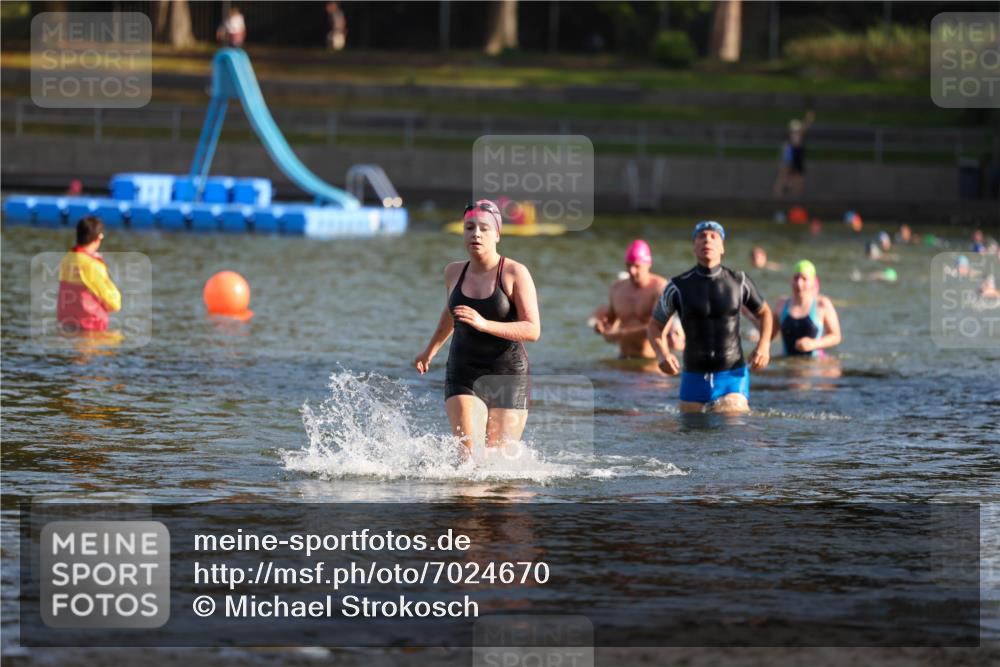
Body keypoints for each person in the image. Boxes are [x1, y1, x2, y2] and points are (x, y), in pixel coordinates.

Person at [415, 200, 540, 453]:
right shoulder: (453, 272)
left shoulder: (514, 272)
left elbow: (532, 330)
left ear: (497, 234)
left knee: (500, 464)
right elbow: (451, 314)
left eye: (484, 228)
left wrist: (484, 324)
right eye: (469, 227)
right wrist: (430, 351)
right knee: (468, 460)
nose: (476, 234)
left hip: (507, 373)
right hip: (463, 371)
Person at [647, 221, 772, 414]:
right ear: (694, 246)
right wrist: (662, 354)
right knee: (691, 433)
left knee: (732, 419)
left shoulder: (739, 282)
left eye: (713, 236)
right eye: (701, 236)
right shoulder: (678, 286)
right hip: (693, 376)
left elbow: (765, 313)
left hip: (732, 375)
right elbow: (655, 326)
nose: (707, 240)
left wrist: (764, 346)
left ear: (722, 247)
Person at [592, 240, 684, 360]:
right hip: (623, 359)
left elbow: (659, 328)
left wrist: (620, 334)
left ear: (648, 264)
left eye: (636, 266)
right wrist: (601, 326)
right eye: (628, 265)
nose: (632, 271)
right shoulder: (617, 288)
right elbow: (610, 318)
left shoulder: (660, 289)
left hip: (651, 362)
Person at [57, 216, 122, 333]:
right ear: (98, 238)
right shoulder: (92, 265)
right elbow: (113, 303)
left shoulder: (67, 258)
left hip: (67, 324)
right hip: (91, 327)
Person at [770, 260, 842, 357]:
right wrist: (751, 315)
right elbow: (768, 335)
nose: (799, 283)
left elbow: (836, 336)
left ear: (813, 282)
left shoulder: (822, 304)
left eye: (804, 279)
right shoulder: (781, 305)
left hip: (815, 365)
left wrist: (814, 344)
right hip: (787, 364)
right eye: (796, 278)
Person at [773, 110, 815, 199]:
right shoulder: (791, 140)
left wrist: (809, 119)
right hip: (792, 156)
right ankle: (778, 195)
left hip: (797, 157)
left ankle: (793, 197)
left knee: (797, 179)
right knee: (784, 177)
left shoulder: (797, 136)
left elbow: (804, 128)